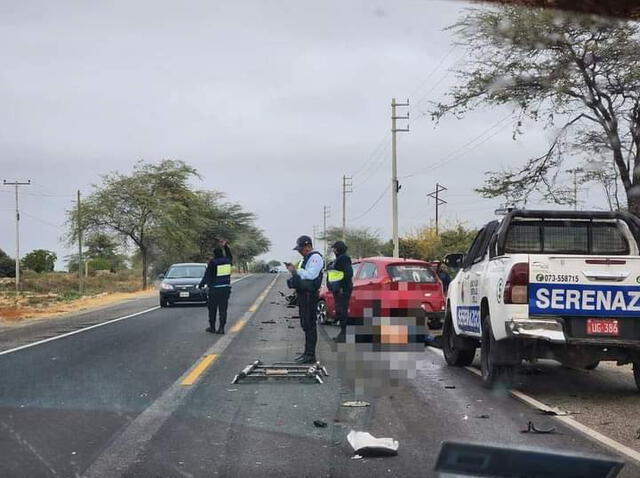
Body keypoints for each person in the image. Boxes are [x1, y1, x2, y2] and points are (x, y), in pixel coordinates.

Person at [286, 235, 324, 364]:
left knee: (309, 324)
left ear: (308, 246)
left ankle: (310, 354)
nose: (299, 251)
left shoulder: (315, 257)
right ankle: (307, 353)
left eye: (301, 249)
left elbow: (311, 275)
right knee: (305, 324)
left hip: (310, 293)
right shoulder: (306, 258)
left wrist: (296, 271)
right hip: (303, 293)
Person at [199, 240, 233, 334]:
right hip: (225, 289)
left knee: (212, 309)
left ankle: (212, 327)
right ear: (222, 253)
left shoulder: (213, 263)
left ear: (214, 254)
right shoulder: (227, 261)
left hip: (214, 290)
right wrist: (225, 246)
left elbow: (207, 276)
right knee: (223, 309)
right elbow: (230, 255)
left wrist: (201, 284)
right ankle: (221, 328)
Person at [326, 240, 353, 342]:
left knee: (342, 312)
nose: (333, 250)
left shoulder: (344, 258)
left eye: (334, 248)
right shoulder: (338, 259)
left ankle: (344, 335)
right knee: (340, 311)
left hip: (343, 289)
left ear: (338, 249)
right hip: (339, 289)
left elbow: (348, 274)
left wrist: (341, 286)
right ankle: (343, 334)